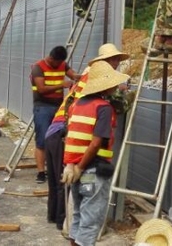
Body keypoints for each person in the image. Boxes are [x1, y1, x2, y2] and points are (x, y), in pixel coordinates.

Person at [44, 43, 130, 231]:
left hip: (57, 129)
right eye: (114, 60)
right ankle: (65, 225)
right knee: (69, 183)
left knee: (59, 181)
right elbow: (120, 108)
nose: (116, 63)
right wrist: (124, 91)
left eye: (117, 59)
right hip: (65, 132)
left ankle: (59, 221)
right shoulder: (100, 82)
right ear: (105, 62)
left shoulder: (87, 76)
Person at [61, 60, 130, 246]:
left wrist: (72, 166)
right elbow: (96, 142)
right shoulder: (104, 108)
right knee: (91, 218)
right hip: (91, 169)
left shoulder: (77, 104)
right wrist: (81, 168)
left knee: (78, 214)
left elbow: (71, 136)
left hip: (74, 168)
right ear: (107, 86)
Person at [31, 46, 81, 184]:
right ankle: (41, 173)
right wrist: (62, 85)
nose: (60, 66)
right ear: (51, 58)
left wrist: (82, 77)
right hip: (43, 107)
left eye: (62, 63)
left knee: (58, 138)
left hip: (59, 107)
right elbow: (41, 89)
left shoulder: (62, 64)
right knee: (42, 140)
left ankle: (55, 169)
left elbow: (73, 75)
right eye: (57, 63)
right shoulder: (38, 67)